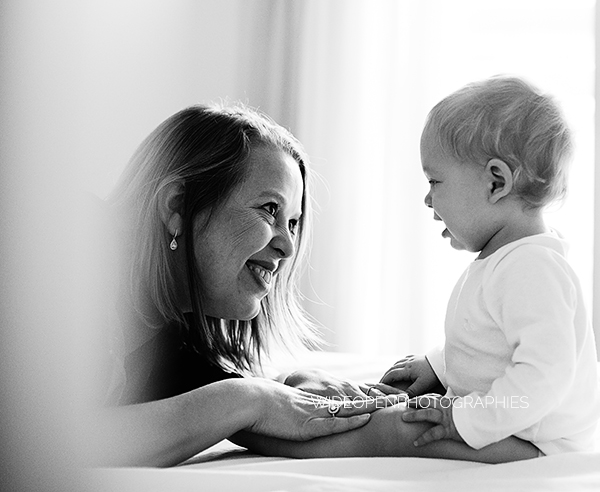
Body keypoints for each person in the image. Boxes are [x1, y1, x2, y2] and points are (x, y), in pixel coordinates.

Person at [242, 75, 600, 463]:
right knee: (402, 404)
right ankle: (288, 412)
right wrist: (437, 365)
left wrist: (463, 419)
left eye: (435, 181)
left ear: (496, 182)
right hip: (510, 424)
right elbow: (488, 345)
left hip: (536, 441)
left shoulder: (533, 269)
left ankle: (286, 436)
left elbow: (545, 376)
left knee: (404, 427)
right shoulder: (509, 261)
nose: (428, 199)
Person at [91, 103, 399, 467]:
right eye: (270, 209)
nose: (287, 247)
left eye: (293, 223)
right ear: (178, 205)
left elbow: (303, 428)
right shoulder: (66, 258)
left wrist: (284, 386)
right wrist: (248, 398)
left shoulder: (171, 352)